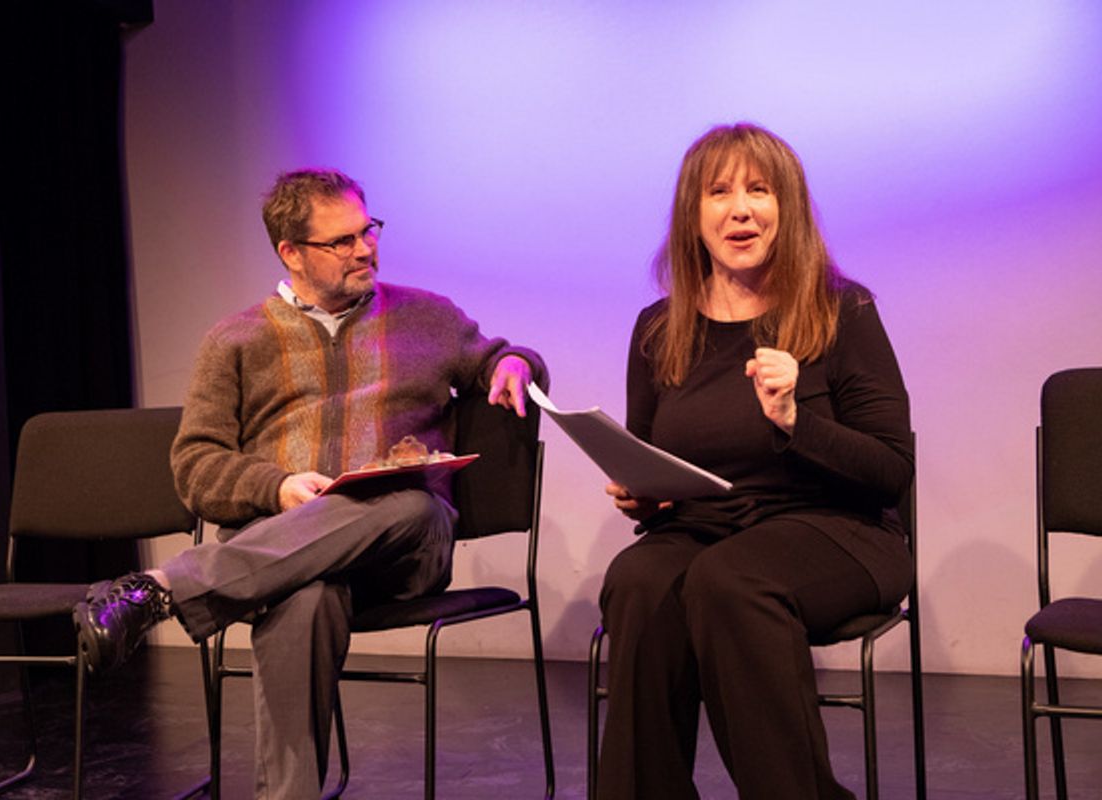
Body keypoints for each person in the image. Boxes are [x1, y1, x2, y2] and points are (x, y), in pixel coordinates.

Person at [73, 168, 548, 800]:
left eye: (367, 230)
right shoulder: (234, 341)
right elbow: (196, 465)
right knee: (306, 593)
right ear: (291, 253)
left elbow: (503, 356)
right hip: (283, 554)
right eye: (342, 241)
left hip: (404, 547)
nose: (365, 249)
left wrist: (517, 362)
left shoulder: (427, 317)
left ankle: (165, 591)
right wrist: (279, 488)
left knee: (404, 502)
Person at [598, 123, 912, 800]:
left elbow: (891, 470)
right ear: (694, 213)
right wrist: (642, 494)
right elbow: (646, 449)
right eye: (719, 192)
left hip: (837, 529)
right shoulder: (660, 327)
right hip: (705, 528)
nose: (740, 208)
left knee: (730, 580)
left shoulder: (841, 311)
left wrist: (799, 421)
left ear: (786, 207)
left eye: (758, 190)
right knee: (638, 580)